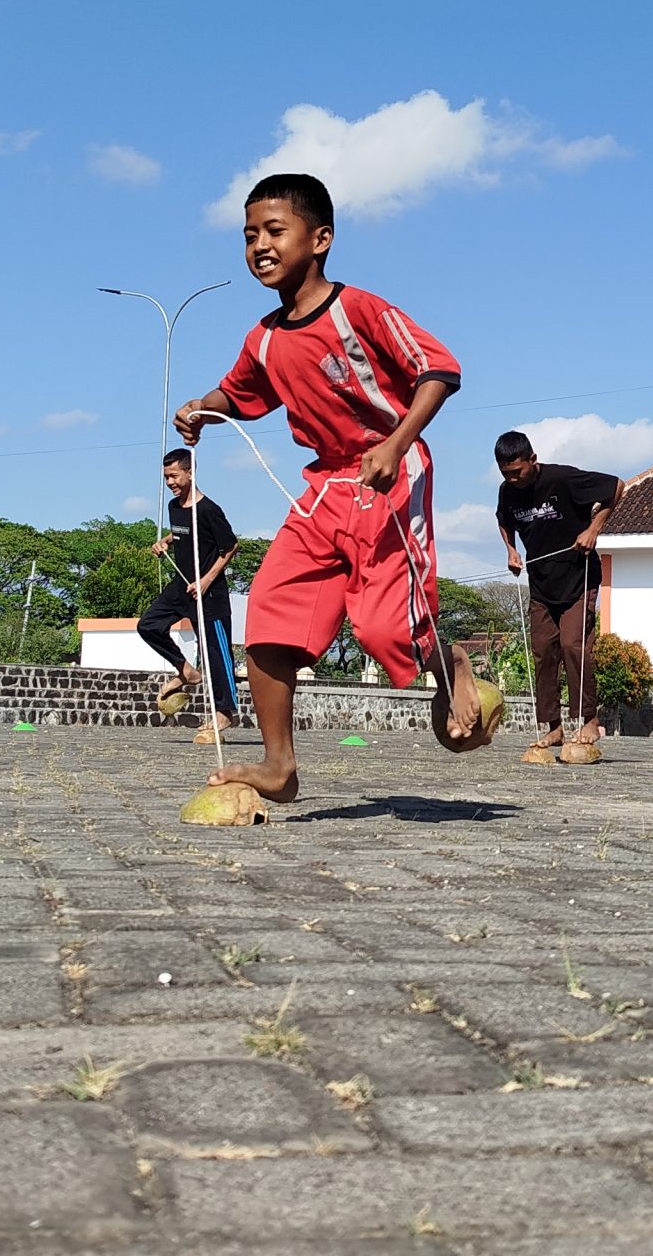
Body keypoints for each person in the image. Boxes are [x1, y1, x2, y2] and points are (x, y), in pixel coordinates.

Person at [175, 172, 473, 802]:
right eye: (249, 235)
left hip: (390, 472)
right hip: (322, 489)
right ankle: (279, 766)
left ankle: (448, 661)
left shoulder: (359, 309)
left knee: (383, 632)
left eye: (274, 231)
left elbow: (439, 369)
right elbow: (238, 393)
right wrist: (201, 407)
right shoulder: (262, 339)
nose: (259, 245)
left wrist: (396, 443)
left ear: (320, 239)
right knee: (268, 617)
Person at [493, 431, 619, 760]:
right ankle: (553, 726)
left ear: (533, 460)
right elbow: (504, 521)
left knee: (572, 645)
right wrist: (511, 551)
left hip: (579, 577)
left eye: (517, 472)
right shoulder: (507, 491)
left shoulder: (562, 479)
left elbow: (616, 487)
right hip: (541, 584)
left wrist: (592, 530)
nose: (512, 479)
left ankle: (589, 720)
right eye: (506, 473)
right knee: (543, 651)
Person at [139, 448, 242, 741]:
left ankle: (224, 713)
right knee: (148, 626)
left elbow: (230, 546)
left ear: (190, 472)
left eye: (174, 475)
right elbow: (182, 532)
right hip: (180, 587)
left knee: (216, 654)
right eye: (166, 477)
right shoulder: (174, 506)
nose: (170, 482)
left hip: (209, 593)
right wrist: (165, 541)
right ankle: (186, 671)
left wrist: (206, 580)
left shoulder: (209, 509)